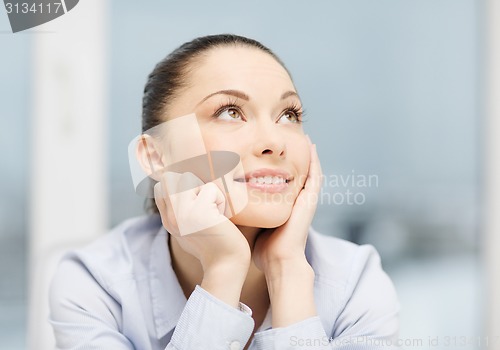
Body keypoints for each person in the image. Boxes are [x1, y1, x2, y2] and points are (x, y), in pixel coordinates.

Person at [49, 34, 400, 350]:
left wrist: (288, 273)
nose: (274, 143)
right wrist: (223, 268)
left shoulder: (355, 281)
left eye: (288, 115)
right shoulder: (96, 284)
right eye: (230, 112)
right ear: (155, 156)